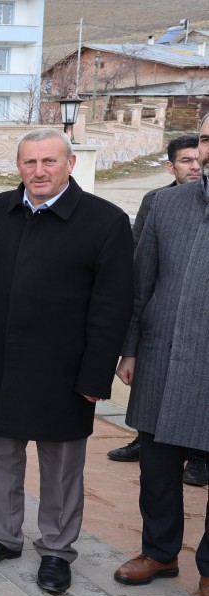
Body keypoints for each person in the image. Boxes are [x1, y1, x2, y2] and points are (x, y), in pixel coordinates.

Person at [0, 129, 133, 593]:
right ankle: (2, 536)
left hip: (66, 369)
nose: (38, 171)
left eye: (49, 162)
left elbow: (112, 305)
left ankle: (57, 551)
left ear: (70, 163)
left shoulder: (106, 221)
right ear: (17, 166)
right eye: (29, 162)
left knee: (61, 469)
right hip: (1, 360)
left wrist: (96, 373)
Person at [113, 114, 209, 596]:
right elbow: (140, 281)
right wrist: (128, 348)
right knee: (158, 465)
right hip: (161, 355)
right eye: (208, 139)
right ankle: (160, 552)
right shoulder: (167, 204)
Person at [108, 133, 203, 481]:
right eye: (186, 160)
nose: (195, 166)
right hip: (162, 332)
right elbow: (141, 268)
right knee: (155, 401)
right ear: (171, 166)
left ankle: (198, 457)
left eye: (198, 157)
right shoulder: (159, 202)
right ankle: (145, 441)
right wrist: (129, 347)